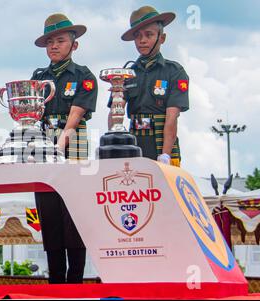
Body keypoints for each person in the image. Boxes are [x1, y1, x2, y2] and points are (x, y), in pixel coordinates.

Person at [32, 13, 98, 284]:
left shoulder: (84, 75)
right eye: (50, 42)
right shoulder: (38, 77)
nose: (54, 46)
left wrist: (60, 146)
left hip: (75, 143)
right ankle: (55, 281)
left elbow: (76, 115)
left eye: (60, 41)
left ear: (74, 44)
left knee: (74, 214)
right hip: (43, 139)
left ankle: (76, 282)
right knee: (48, 212)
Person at [109, 6, 189, 167]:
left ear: (162, 38)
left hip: (161, 143)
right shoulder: (126, 73)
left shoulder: (174, 71)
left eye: (149, 34)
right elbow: (114, 114)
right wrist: (115, 144)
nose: (142, 40)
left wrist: (165, 154)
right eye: (137, 36)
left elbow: (172, 118)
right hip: (134, 143)